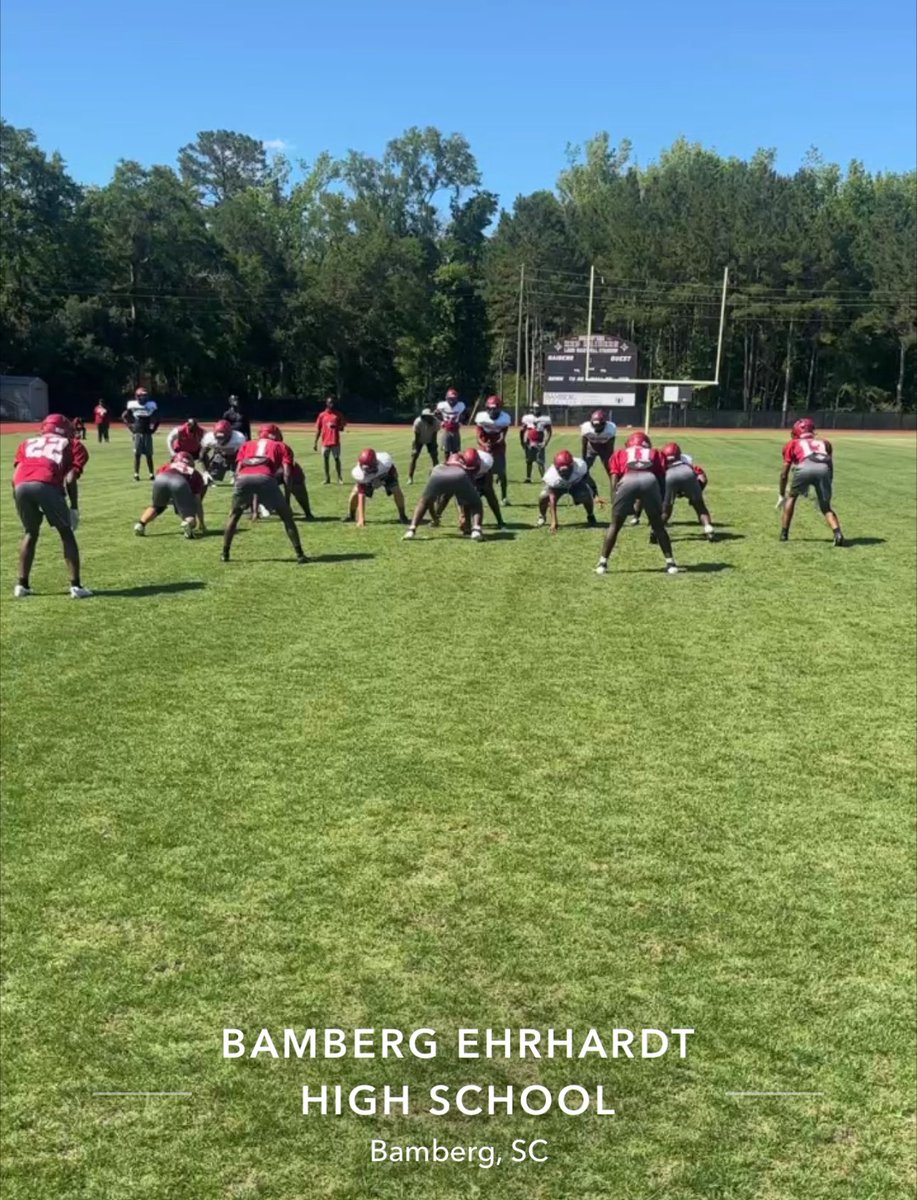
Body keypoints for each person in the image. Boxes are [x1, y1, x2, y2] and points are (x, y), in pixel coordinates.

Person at [11, 414, 92, 598]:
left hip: (20, 485)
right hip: (46, 483)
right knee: (66, 532)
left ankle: (22, 585)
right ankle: (76, 586)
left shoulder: (27, 443)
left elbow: (15, 476)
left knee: (30, 532)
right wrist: (74, 507)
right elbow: (70, 478)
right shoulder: (73, 445)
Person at [594, 432, 680, 576]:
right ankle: (670, 563)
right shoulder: (655, 452)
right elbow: (661, 478)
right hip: (649, 480)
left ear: (629, 444)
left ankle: (603, 563)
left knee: (615, 525)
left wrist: (615, 500)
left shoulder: (620, 453)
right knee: (658, 525)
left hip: (628, 480)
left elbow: (614, 479)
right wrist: (662, 499)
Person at [221, 424, 307, 564]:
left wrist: (239, 492)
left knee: (234, 516)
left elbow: (237, 471)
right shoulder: (281, 446)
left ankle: (225, 553)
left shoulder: (246, 445)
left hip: (243, 478)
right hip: (265, 477)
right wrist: (287, 498)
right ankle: (299, 554)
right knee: (287, 518)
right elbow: (287, 474)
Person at [777, 417, 844, 546]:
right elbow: (829, 464)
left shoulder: (793, 443)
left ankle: (784, 533)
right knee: (826, 507)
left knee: (792, 497)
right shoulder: (825, 443)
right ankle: (837, 533)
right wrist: (828, 482)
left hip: (804, 468)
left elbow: (784, 473)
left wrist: (781, 494)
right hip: (824, 470)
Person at [402, 453, 484, 541]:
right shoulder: (463, 469)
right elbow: (464, 500)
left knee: (423, 501)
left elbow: (428, 503)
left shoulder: (438, 467)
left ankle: (411, 529)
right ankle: (476, 530)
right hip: (459, 475)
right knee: (476, 503)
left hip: (437, 474)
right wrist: (463, 517)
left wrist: (435, 518)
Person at [134, 451, 205, 538]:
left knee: (157, 506)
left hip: (161, 479)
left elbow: (161, 477)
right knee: (190, 515)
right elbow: (197, 500)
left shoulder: (167, 466)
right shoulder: (194, 473)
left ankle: (140, 524)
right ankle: (188, 524)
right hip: (179, 482)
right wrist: (201, 522)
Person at [433, 447, 504, 529]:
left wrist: (478, 490)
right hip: (464, 475)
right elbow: (459, 492)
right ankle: (436, 517)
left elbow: (488, 484)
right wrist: (462, 515)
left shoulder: (487, 461)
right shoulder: (457, 463)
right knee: (448, 493)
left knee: (489, 492)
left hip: (482, 476)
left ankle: (499, 520)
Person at [659, 442, 715, 542]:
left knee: (666, 511)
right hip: (688, 474)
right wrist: (696, 494)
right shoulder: (686, 459)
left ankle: (655, 531)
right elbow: (702, 477)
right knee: (700, 507)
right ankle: (708, 529)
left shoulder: (662, 461)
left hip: (669, 476)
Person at [536, 450, 599, 531]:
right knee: (544, 496)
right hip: (558, 487)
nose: (565, 474)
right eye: (562, 471)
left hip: (575, 484)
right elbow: (552, 499)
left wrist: (595, 494)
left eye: (567, 470)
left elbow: (587, 479)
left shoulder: (580, 466)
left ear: (572, 465)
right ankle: (542, 516)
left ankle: (590, 514)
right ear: (556, 468)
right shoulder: (552, 476)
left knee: (585, 494)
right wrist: (554, 521)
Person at [345, 448, 409, 526]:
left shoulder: (385, 464)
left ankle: (402, 515)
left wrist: (384, 481)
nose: (367, 470)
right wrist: (361, 519)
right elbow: (361, 495)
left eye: (370, 468)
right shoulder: (360, 473)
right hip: (369, 480)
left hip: (385, 475)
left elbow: (394, 475)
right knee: (355, 492)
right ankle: (351, 515)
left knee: (396, 490)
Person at [474, 394, 512, 504]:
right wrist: (485, 444)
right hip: (484, 442)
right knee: (482, 471)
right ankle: (479, 493)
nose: (492, 411)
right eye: (489, 408)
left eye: (494, 409)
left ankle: (504, 497)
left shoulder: (504, 419)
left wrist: (495, 444)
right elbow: (478, 436)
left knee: (501, 472)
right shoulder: (481, 418)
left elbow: (502, 437)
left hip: (498, 445)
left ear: (499, 408)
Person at [122, 387, 159, 481]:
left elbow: (158, 417)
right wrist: (130, 426)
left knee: (149, 455)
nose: (143, 398)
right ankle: (136, 474)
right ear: (137, 396)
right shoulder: (132, 404)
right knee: (137, 455)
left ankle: (151, 474)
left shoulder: (151, 405)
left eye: (145, 396)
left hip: (147, 432)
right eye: (142, 396)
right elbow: (124, 416)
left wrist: (154, 428)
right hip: (137, 432)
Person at [313, 397, 346, 484]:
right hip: (325, 442)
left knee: (336, 459)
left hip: (335, 441)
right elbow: (318, 429)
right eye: (330, 402)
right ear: (326, 403)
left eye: (333, 402)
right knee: (325, 460)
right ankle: (327, 478)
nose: (332, 404)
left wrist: (336, 427)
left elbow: (342, 428)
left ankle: (340, 478)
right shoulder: (322, 415)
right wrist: (315, 442)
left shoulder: (338, 414)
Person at [519, 403, 552, 481]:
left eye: (538, 408)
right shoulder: (528, 418)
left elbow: (549, 431)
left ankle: (544, 478)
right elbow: (522, 430)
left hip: (539, 442)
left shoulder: (545, 419)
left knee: (540, 462)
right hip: (529, 442)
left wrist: (546, 442)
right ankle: (528, 478)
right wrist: (522, 441)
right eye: (535, 408)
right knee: (528, 461)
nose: (536, 410)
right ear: (532, 408)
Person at [407, 407, 441, 483]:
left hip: (430, 440)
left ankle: (438, 476)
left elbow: (434, 435)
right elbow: (417, 436)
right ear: (424, 416)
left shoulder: (436, 422)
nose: (429, 417)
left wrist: (434, 446)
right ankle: (410, 477)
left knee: (434, 457)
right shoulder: (418, 422)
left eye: (430, 416)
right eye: (427, 416)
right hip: (419, 440)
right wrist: (415, 448)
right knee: (414, 457)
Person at [580, 409, 618, 475]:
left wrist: (610, 459)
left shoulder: (610, 429)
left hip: (604, 447)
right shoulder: (586, 428)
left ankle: (615, 485)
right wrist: (583, 459)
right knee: (584, 469)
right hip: (592, 447)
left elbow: (610, 448)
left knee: (610, 469)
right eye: (595, 425)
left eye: (599, 426)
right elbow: (584, 445)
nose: (597, 428)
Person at [435, 388, 465, 457]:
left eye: (454, 398)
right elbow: (436, 414)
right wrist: (441, 422)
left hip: (455, 429)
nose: (452, 400)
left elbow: (464, 415)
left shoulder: (460, 405)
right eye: (451, 398)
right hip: (446, 429)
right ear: (447, 398)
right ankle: (447, 465)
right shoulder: (442, 405)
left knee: (455, 451)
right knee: (446, 451)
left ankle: (455, 464)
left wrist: (461, 421)